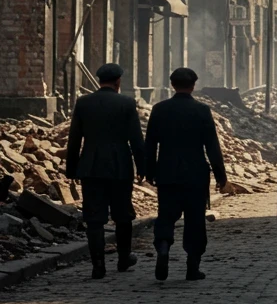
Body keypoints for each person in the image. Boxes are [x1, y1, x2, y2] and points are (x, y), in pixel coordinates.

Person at [145, 67, 228, 282]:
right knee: (195, 220)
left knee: (166, 215)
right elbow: (212, 146)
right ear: (193, 85)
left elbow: (150, 143)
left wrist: (149, 170)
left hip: (167, 171)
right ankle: (192, 268)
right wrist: (221, 175)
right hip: (195, 174)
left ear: (172, 84)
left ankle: (163, 247)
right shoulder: (202, 110)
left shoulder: (159, 109)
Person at [65, 63, 145, 280]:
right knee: (123, 214)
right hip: (120, 165)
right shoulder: (126, 103)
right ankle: (123, 258)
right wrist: (143, 166)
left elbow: (74, 139)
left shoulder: (83, 103)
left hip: (90, 166)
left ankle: (98, 265)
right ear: (118, 81)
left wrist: (71, 168)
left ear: (100, 81)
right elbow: (136, 139)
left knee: (94, 218)